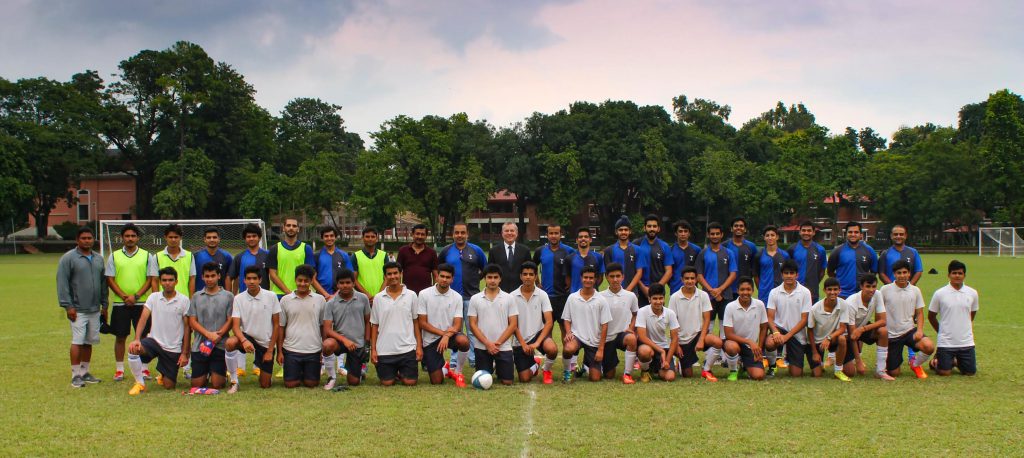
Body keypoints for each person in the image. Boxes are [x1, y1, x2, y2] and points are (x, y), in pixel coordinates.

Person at [57, 226, 108, 388]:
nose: (87, 241)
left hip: (94, 309)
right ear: (77, 240)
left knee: (89, 341)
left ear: (94, 239)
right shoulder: (68, 258)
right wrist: (68, 306)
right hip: (78, 309)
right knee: (78, 341)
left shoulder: (99, 258)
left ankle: (85, 372)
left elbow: (103, 283)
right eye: (84, 238)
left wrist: (105, 305)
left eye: (90, 238)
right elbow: (62, 283)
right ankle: (75, 375)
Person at [126, 267, 190, 395]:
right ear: (160, 282)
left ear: (176, 282)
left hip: (173, 348)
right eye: (164, 280)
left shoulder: (184, 300)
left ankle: (163, 373)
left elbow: (188, 327)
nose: (167, 283)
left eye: (171, 280)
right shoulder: (153, 297)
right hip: (154, 341)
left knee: (169, 386)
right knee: (133, 348)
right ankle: (140, 383)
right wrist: (137, 339)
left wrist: (184, 353)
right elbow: (143, 319)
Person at [104, 223, 155, 382]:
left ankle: (144, 369)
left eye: (133, 236)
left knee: (144, 336)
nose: (130, 238)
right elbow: (110, 279)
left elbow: (150, 278)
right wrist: (125, 296)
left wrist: (137, 296)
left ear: (138, 238)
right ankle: (119, 369)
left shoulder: (147, 256)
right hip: (121, 304)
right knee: (120, 336)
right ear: (122, 238)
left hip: (142, 303)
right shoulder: (114, 256)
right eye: (127, 236)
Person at [439, 222, 487, 369]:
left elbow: (484, 269)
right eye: (457, 233)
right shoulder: (446, 251)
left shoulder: (476, 250)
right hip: (452, 299)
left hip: (471, 297)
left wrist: (474, 281)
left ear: (467, 234)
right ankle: (454, 359)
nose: (459, 235)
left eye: (462, 233)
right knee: (455, 330)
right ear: (453, 234)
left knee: (472, 329)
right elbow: (439, 269)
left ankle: (473, 358)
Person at [224, 265, 280, 392]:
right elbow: (235, 326)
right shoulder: (238, 298)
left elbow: (277, 325)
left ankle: (266, 374)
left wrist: (270, 351)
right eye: (248, 278)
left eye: (255, 278)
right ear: (244, 280)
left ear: (260, 280)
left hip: (265, 343)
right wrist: (243, 340)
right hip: (247, 337)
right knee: (230, 342)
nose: (252, 281)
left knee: (265, 385)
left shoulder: (271, 296)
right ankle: (234, 381)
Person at [416, 263, 470, 387]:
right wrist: (443, 334)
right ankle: (445, 367)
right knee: (437, 381)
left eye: (448, 277)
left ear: (452, 279)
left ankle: (458, 372)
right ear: (437, 277)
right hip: (430, 339)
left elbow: (457, 325)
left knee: (463, 341)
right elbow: (422, 323)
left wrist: (446, 336)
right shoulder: (424, 294)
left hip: (449, 336)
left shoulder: (456, 297)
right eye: (442, 276)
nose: (444, 279)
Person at [370, 262, 422, 386]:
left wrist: (419, 347)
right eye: (389, 274)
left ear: (401, 274)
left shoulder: (411, 295)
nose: (393, 276)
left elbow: (416, 322)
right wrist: (373, 350)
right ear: (385, 277)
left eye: (395, 273)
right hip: (385, 350)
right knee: (387, 382)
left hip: (407, 348)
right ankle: (393, 372)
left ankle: (402, 372)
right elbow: (374, 325)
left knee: (410, 382)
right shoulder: (378, 298)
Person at [880, 260, 935, 379]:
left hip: (909, 331)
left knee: (929, 346)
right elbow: (879, 312)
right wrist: (883, 332)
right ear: (894, 274)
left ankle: (915, 364)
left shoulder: (915, 290)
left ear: (909, 273)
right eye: (899, 273)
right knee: (894, 373)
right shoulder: (885, 290)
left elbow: (919, 313)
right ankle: (888, 361)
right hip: (892, 335)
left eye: (905, 272)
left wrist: (919, 330)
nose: (902, 276)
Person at [276, 264, 326, 388]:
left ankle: (306, 371)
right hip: (291, 350)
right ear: (295, 280)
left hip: (313, 350)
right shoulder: (285, 300)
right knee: (291, 384)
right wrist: (280, 351)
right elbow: (281, 327)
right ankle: (296, 370)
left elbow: (323, 326)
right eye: (300, 280)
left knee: (312, 384)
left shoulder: (320, 300)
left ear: (310, 281)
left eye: (306, 281)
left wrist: (322, 349)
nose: (302, 284)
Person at [468, 264, 518, 386]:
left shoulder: (509, 298)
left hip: (503, 346)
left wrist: (497, 344)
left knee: (507, 382)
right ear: (485, 278)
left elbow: (513, 324)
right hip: (482, 346)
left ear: (500, 279)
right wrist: (487, 343)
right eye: (489, 277)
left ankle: (498, 365)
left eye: (496, 277)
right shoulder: (475, 298)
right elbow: (472, 324)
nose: (492, 280)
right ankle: (492, 365)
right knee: (484, 378)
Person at [321, 269, 371, 389]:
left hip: (357, 343)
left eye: (348, 282)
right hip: (340, 342)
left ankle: (358, 371)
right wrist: (344, 340)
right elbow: (327, 330)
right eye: (341, 283)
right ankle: (332, 377)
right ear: (337, 285)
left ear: (354, 283)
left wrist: (367, 344)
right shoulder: (330, 303)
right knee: (327, 344)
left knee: (353, 382)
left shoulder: (363, 298)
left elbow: (368, 322)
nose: (345, 285)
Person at [533, 224, 575, 367]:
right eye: (551, 233)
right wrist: (537, 283)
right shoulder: (540, 251)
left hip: (563, 297)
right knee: (547, 329)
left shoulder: (569, 251)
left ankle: (567, 361)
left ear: (561, 234)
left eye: (556, 233)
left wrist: (571, 282)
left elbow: (575, 267)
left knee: (565, 329)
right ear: (547, 234)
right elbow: (532, 267)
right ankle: (549, 358)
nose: (553, 236)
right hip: (546, 298)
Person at [667, 266, 719, 381]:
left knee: (717, 342)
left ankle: (706, 369)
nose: (690, 281)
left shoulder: (703, 295)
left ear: (696, 279)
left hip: (698, 335)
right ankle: (680, 363)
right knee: (687, 374)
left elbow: (706, 319)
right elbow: (672, 324)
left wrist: (701, 339)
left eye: (692, 278)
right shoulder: (674, 297)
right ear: (682, 280)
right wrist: (677, 345)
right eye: (687, 278)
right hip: (682, 340)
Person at [927, 260, 979, 376]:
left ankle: (955, 361)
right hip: (946, 342)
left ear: (964, 275)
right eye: (954, 273)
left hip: (966, 341)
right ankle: (935, 362)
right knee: (944, 372)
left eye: (960, 273)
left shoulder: (972, 293)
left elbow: (972, 313)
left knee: (970, 372)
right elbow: (931, 316)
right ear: (949, 275)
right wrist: (941, 331)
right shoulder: (940, 293)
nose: (957, 276)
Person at [187, 262, 234, 389]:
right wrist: (208, 335)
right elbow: (192, 321)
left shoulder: (228, 296)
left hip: (220, 344)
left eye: (213, 276)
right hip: (200, 345)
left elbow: (230, 320)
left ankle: (218, 372)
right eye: (206, 276)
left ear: (219, 276)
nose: (210, 279)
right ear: (202, 277)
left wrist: (218, 336)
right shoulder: (196, 296)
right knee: (197, 385)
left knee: (217, 385)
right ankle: (206, 371)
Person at [560, 266, 611, 383]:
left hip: (593, 341)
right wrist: (568, 332)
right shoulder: (572, 297)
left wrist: (601, 349)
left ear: (596, 280)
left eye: (591, 278)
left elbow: (605, 325)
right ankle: (567, 371)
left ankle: (585, 366)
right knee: (568, 348)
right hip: (577, 336)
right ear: (581, 278)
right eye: (585, 277)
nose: (588, 280)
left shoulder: (601, 300)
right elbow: (567, 319)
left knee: (595, 378)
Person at [511, 261, 558, 384]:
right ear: (520, 276)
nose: (528, 277)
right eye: (525, 274)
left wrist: (537, 343)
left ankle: (547, 370)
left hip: (539, 334)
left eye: (531, 274)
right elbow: (513, 325)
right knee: (524, 379)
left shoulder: (542, 295)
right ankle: (535, 364)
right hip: (520, 339)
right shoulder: (512, 296)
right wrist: (523, 344)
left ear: (536, 276)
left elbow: (549, 322)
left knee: (552, 349)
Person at [764, 260, 813, 377]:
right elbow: (769, 318)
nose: (789, 276)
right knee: (770, 343)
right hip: (779, 330)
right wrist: (775, 332)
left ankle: (789, 358)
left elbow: (804, 319)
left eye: (792, 273)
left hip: (796, 334)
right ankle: (772, 365)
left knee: (796, 374)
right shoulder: (774, 292)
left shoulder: (805, 292)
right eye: (786, 273)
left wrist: (787, 336)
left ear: (797, 275)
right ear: (782, 275)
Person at [846, 274, 894, 380]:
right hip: (847, 332)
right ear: (861, 286)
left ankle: (880, 371)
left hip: (862, 328)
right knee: (850, 372)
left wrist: (863, 329)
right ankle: (840, 356)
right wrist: (858, 361)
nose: (871, 290)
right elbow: (853, 335)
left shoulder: (877, 294)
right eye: (868, 286)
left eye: (874, 286)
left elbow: (883, 321)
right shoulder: (851, 302)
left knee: (883, 331)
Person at [806, 278, 854, 381]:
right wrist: (814, 352)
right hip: (818, 342)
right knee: (817, 374)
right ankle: (820, 363)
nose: (832, 292)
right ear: (824, 290)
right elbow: (809, 330)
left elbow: (842, 328)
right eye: (829, 289)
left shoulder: (843, 304)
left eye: (835, 289)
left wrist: (829, 338)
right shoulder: (815, 308)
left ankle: (838, 371)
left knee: (842, 339)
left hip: (832, 339)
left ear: (839, 290)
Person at [599, 263, 639, 384]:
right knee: (609, 375)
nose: (615, 279)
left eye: (618, 276)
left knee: (632, 338)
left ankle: (627, 374)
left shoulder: (630, 296)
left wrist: (631, 328)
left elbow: (635, 314)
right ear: (606, 277)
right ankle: (589, 365)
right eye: (612, 276)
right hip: (607, 338)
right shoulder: (600, 296)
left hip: (622, 334)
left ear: (623, 277)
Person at [721, 277, 768, 381]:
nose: (745, 292)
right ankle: (733, 370)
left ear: (753, 290)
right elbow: (728, 334)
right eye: (742, 289)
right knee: (732, 347)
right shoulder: (730, 306)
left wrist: (759, 348)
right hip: (733, 342)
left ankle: (744, 365)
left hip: (751, 347)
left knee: (759, 376)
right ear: (737, 291)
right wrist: (750, 342)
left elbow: (764, 328)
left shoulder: (760, 305)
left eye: (748, 289)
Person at [695, 222, 738, 334]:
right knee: (708, 324)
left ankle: (725, 351)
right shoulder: (703, 253)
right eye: (712, 234)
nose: (715, 236)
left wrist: (720, 290)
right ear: (708, 235)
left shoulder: (729, 253)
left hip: (726, 295)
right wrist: (711, 290)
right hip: (708, 296)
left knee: (726, 325)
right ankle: (709, 351)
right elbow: (699, 275)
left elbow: (733, 274)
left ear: (721, 235)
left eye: (717, 234)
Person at [635, 284, 679, 382]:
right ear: (649, 299)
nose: (658, 302)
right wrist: (661, 351)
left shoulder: (670, 313)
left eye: (661, 298)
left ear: (664, 299)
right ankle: (645, 370)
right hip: (648, 346)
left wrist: (667, 359)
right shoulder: (642, 311)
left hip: (664, 347)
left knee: (669, 377)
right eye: (655, 298)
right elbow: (641, 336)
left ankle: (657, 368)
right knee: (644, 351)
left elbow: (675, 338)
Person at [827, 221, 878, 299]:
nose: (853, 234)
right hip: (843, 295)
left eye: (856, 232)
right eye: (850, 232)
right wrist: (840, 284)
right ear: (846, 234)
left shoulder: (869, 250)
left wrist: (866, 286)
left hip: (862, 295)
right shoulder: (837, 251)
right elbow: (830, 272)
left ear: (861, 235)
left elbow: (874, 271)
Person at [268, 217, 315, 297]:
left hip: (301, 294)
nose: (291, 228)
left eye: (294, 226)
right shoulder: (275, 248)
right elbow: (272, 274)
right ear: (283, 228)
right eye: (288, 225)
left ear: (298, 229)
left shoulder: (306, 248)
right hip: (279, 295)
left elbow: (310, 274)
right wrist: (288, 292)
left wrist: (299, 292)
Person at [634, 214, 674, 306]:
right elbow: (633, 269)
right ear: (644, 228)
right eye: (649, 226)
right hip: (639, 291)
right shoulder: (636, 245)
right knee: (639, 319)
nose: (652, 229)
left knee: (658, 319)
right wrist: (643, 287)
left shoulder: (665, 246)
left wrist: (657, 288)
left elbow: (669, 271)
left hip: (658, 292)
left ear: (658, 228)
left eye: (654, 226)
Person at [602, 216, 645, 299]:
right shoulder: (609, 250)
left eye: (626, 230)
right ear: (616, 232)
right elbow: (607, 274)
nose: (623, 232)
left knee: (633, 312)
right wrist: (618, 289)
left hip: (632, 293)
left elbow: (639, 272)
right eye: (620, 230)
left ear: (630, 231)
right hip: (614, 293)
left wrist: (627, 291)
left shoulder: (638, 250)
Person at [150, 224, 195, 298]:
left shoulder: (189, 256)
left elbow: (192, 279)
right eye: (170, 237)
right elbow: (155, 281)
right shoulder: (157, 257)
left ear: (180, 238)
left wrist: (191, 300)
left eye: (176, 237)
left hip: (183, 300)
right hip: (163, 301)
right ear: (165, 237)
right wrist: (156, 300)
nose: (173, 240)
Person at [787, 221, 828, 303]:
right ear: (800, 232)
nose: (806, 233)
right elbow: (787, 271)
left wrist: (814, 283)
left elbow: (822, 272)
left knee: (811, 315)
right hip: (794, 291)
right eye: (804, 230)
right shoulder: (792, 249)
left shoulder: (820, 250)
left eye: (809, 230)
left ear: (813, 233)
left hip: (812, 292)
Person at [488, 222, 532, 293]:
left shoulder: (525, 250)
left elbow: (529, 272)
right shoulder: (494, 251)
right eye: (506, 231)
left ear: (516, 233)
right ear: (502, 233)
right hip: (500, 291)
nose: (509, 233)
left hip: (520, 291)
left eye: (512, 230)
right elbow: (490, 272)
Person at [226, 223, 269, 294]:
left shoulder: (267, 255)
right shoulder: (239, 257)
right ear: (245, 239)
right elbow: (229, 277)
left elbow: (274, 275)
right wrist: (230, 296)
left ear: (259, 237)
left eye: (254, 236)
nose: (251, 238)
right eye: (248, 236)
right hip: (244, 299)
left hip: (263, 298)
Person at [313, 226, 353, 299]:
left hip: (341, 296)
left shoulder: (344, 255)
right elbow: (313, 279)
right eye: (326, 236)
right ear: (322, 238)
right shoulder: (317, 256)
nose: (329, 238)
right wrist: (326, 295)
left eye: (331, 236)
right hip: (321, 297)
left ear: (335, 237)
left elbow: (350, 277)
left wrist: (336, 295)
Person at [396, 223, 438, 293]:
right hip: (407, 293)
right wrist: (398, 290)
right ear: (412, 234)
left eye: (422, 234)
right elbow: (397, 272)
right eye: (417, 234)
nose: (420, 236)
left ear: (426, 236)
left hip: (426, 293)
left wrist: (435, 291)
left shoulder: (432, 252)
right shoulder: (403, 250)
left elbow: (435, 274)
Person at [353, 227, 388, 302]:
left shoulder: (384, 255)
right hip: (362, 298)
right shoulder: (356, 256)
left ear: (377, 238)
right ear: (362, 238)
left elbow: (387, 277)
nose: (370, 239)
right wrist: (366, 294)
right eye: (367, 236)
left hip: (382, 297)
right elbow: (354, 279)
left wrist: (379, 295)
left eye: (373, 237)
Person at [755, 225, 790, 302]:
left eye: (772, 235)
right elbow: (756, 276)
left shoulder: (785, 255)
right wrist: (762, 288)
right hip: (764, 294)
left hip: (782, 293)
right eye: (767, 235)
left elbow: (788, 274)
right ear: (764, 237)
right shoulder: (759, 255)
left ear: (777, 237)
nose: (770, 238)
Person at [725, 217, 759, 296]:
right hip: (727, 289)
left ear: (745, 229)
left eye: (741, 226)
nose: (738, 228)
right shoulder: (724, 246)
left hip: (745, 289)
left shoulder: (751, 246)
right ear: (731, 229)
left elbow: (755, 269)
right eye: (736, 226)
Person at [193, 226, 233, 291]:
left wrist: (228, 295)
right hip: (200, 296)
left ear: (219, 239)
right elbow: (192, 278)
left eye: (214, 237)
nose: (212, 240)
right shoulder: (196, 256)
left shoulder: (227, 256)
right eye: (209, 237)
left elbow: (228, 278)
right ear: (204, 239)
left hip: (220, 296)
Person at [668, 220, 702, 294]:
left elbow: (699, 270)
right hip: (675, 289)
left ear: (689, 233)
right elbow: (667, 271)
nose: (683, 234)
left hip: (692, 289)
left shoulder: (697, 250)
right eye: (680, 231)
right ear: (676, 233)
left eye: (685, 231)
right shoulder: (670, 250)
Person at [568, 227, 604, 293]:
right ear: (576, 240)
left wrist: (590, 288)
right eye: (580, 237)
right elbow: (567, 279)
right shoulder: (570, 258)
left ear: (590, 239)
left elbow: (600, 278)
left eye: (586, 237)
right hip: (575, 296)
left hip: (593, 296)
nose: (583, 238)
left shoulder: (598, 257)